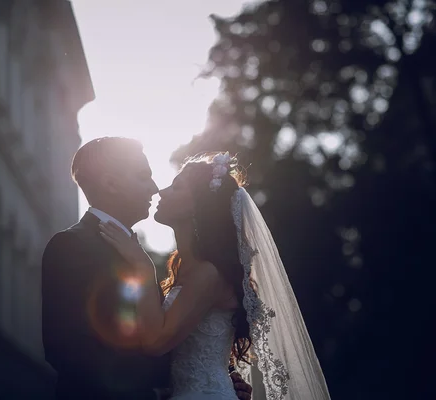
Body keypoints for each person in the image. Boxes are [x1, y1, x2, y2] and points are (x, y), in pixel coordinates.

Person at [99, 152, 331, 399]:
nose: (162, 192)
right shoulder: (187, 269)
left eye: (176, 188)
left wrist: (143, 269)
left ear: (197, 206)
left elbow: (156, 342)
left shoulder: (208, 273)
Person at [41, 138, 253, 400]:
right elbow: (66, 350)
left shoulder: (148, 258)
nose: (155, 188)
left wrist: (216, 378)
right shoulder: (72, 245)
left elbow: (176, 336)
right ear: (111, 184)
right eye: (144, 177)